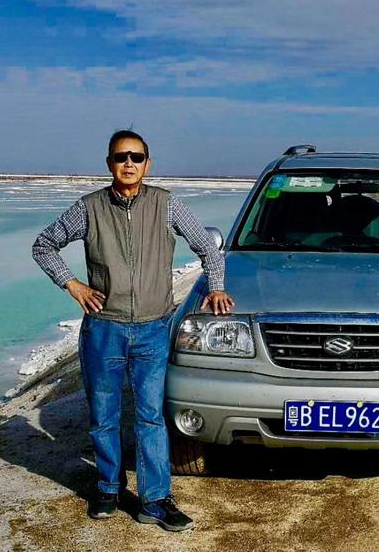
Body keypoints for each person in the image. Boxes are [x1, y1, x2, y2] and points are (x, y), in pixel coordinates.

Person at [31, 129, 234, 532]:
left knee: (150, 416)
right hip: (103, 328)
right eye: (121, 157)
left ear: (147, 163)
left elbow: (208, 248)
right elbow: (44, 245)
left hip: (153, 329)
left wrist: (216, 288)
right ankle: (108, 487)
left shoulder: (167, 204)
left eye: (136, 157)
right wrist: (72, 284)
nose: (129, 163)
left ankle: (155, 500)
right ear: (109, 163)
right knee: (103, 415)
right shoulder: (89, 208)